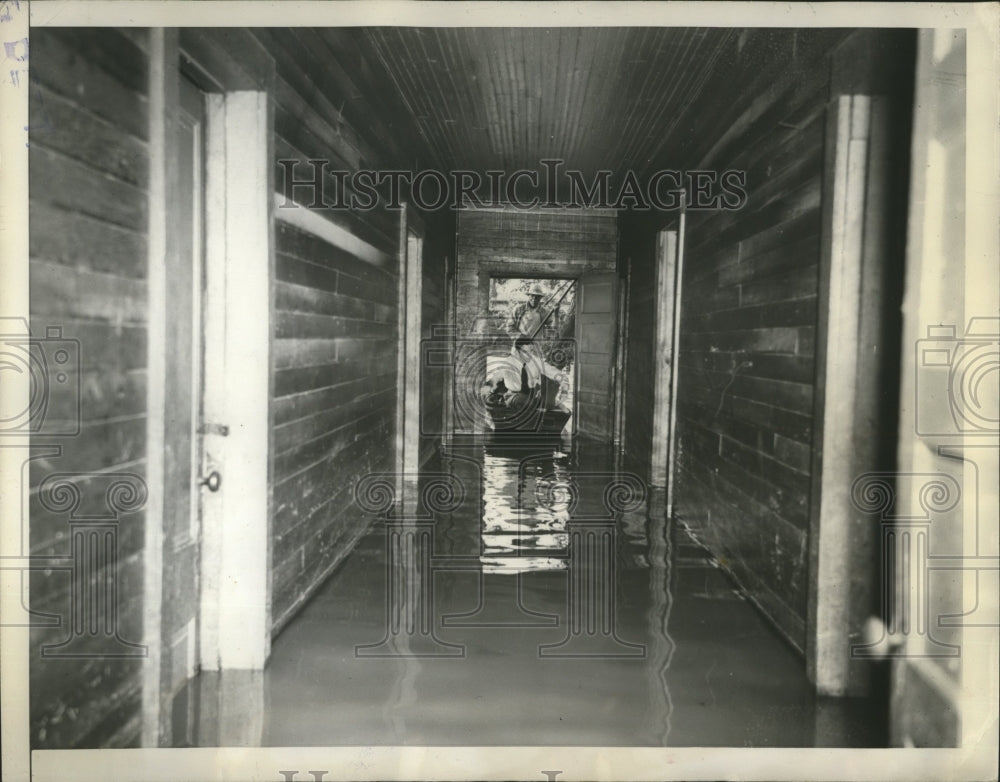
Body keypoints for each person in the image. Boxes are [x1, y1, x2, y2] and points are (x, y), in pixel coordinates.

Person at [505, 283, 550, 391]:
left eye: (537, 296)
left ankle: (531, 398)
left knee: (533, 375)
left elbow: (554, 328)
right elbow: (509, 328)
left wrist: (556, 313)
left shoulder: (545, 312)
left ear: (541, 298)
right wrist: (521, 337)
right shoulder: (519, 309)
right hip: (520, 347)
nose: (534, 298)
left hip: (535, 348)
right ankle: (514, 397)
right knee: (516, 373)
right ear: (529, 296)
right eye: (532, 296)